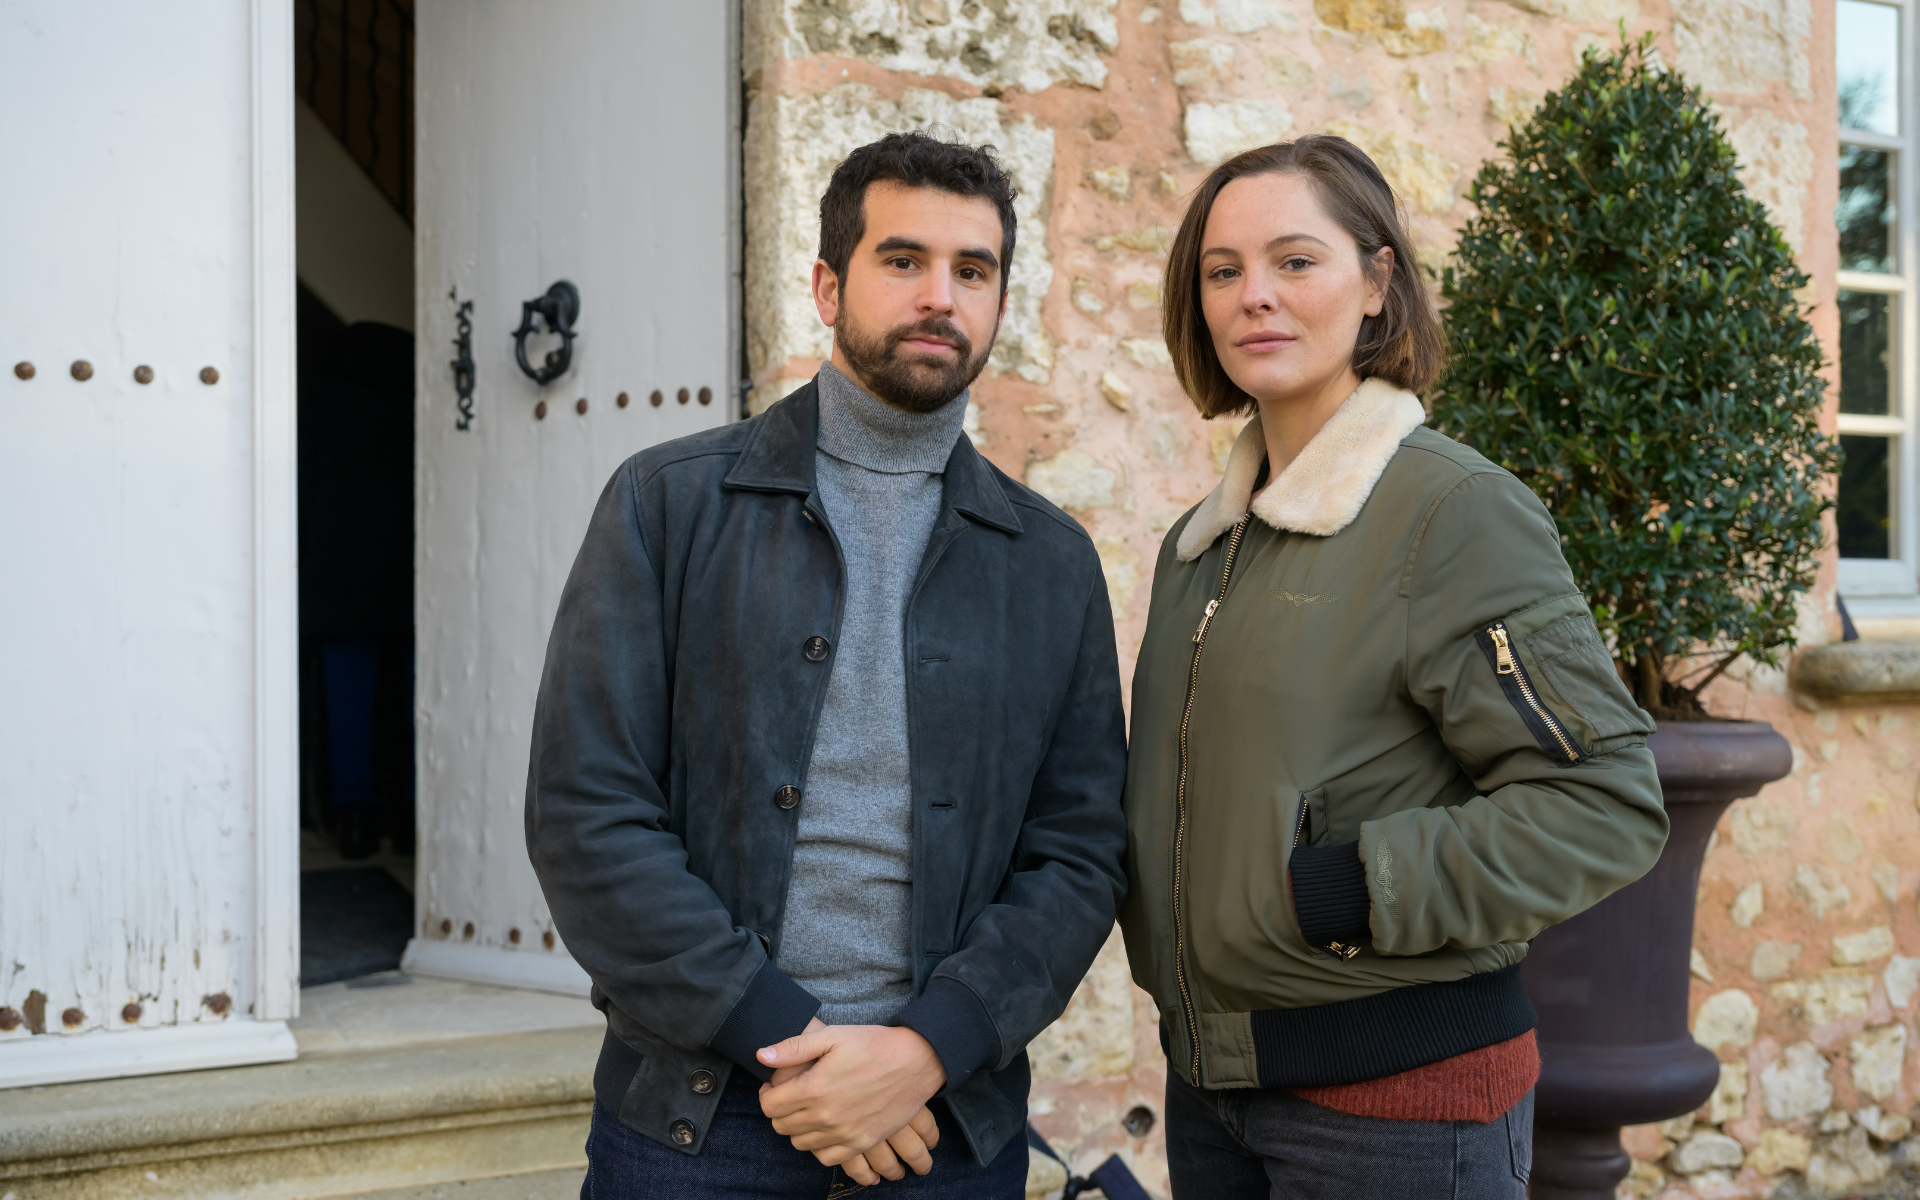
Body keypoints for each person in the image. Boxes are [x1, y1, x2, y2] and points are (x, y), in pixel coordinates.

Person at [525, 131, 1128, 1198]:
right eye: (903, 261)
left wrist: (924, 1051)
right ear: (826, 283)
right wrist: (791, 1043)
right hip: (698, 1127)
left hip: (940, 1129)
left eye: (972, 270)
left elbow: (1077, 854)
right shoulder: (667, 507)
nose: (940, 295)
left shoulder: (1052, 564)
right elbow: (588, 813)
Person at [1119, 136, 1668, 1198]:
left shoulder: (1452, 515)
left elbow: (1605, 801)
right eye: (1222, 272)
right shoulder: (1203, 543)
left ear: (1377, 282)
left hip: (1402, 1103)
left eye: (1295, 261)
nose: (1254, 298)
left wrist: (1353, 888)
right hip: (1215, 1091)